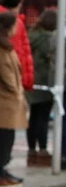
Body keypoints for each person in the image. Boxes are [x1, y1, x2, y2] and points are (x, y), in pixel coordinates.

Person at [0, 12, 28, 187]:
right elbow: (7, 76)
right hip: (2, 101)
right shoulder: (0, 49)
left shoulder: (5, 46)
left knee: (5, 138)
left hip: (7, 101)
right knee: (0, 139)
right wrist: (18, 93)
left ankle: (0, 170)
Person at [26, 9, 57, 167]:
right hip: (45, 81)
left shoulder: (31, 35)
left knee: (33, 115)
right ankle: (43, 149)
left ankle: (31, 149)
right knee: (43, 116)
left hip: (31, 80)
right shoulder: (48, 38)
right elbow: (51, 55)